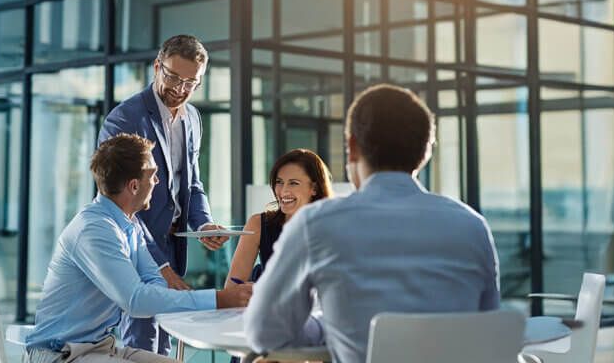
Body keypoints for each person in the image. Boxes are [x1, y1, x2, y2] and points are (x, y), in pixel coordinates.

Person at [243, 84, 500, 363]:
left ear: (352, 147)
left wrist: (329, 327)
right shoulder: (472, 226)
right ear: (426, 152)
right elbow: (486, 327)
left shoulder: (316, 223)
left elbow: (263, 332)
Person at [24, 133, 252, 363]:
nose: (157, 182)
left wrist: (168, 297)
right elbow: (135, 301)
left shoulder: (128, 224)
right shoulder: (94, 230)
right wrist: (219, 299)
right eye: (152, 175)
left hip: (98, 349)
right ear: (134, 186)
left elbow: (155, 282)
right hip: (59, 356)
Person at [98, 34, 229, 356]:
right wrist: (159, 265)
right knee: (141, 340)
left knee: (166, 337)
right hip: (137, 244)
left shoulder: (192, 118)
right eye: (173, 77)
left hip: (173, 241)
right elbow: (122, 205)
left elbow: (191, 182)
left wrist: (203, 224)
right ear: (157, 67)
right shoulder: (125, 119)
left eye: (191, 82)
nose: (180, 89)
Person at [225, 149, 333, 287]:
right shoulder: (258, 225)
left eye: (293, 183)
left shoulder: (331, 227)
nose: (283, 191)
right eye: (279, 182)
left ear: (314, 188)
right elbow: (231, 288)